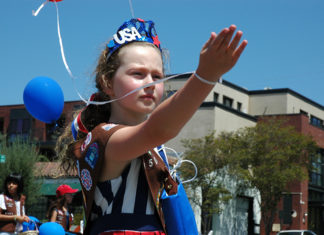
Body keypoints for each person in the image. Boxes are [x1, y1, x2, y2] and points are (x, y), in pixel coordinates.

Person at [56, 18, 247, 235]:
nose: (150, 83)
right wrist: (205, 76)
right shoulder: (105, 138)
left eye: (157, 76)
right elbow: (157, 129)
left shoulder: (154, 147)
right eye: (138, 74)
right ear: (108, 82)